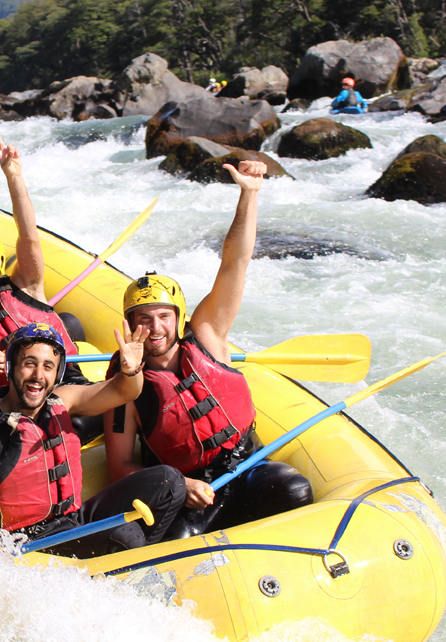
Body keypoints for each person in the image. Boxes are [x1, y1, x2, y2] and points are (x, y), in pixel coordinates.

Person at [103, 161, 312, 541]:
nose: (155, 328)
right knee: (182, 542)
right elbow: (119, 464)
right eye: (143, 318)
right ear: (130, 322)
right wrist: (181, 485)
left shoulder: (208, 336)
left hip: (248, 466)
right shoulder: (124, 383)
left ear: (179, 317)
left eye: (164, 316)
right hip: (193, 490)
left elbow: (235, 263)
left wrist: (249, 194)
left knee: (295, 490)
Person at [0, 322, 185, 558]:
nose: (38, 376)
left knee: (169, 482)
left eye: (48, 367)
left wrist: (131, 370)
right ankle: (128, 563)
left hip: (72, 519)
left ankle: (139, 562)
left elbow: (124, 392)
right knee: (126, 535)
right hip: (28, 542)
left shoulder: (62, 399)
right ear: (11, 368)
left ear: (57, 373)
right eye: (29, 364)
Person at [0, 128, 90, 396]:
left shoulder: (26, 285)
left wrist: (14, 177)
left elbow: (29, 236)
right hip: (14, 403)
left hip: (66, 387)